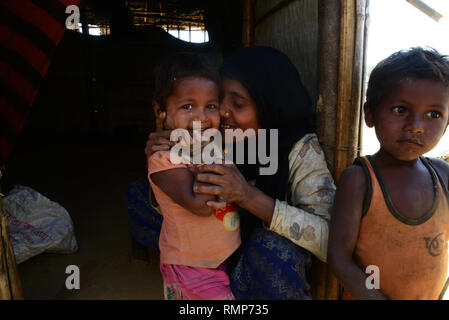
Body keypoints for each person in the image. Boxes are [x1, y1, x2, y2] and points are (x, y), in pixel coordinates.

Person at [145, 46, 336, 300]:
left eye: (237, 103)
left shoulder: (299, 149)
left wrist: (248, 196)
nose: (221, 112)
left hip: (256, 273)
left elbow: (331, 242)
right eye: (218, 99)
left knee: (272, 248)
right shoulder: (209, 136)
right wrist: (167, 158)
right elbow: (176, 195)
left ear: (269, 106)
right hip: (205, 261)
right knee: (139, 194)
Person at [328, 47, 449, 300]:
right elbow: (339, 259)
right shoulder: (360, 180)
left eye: (433, 114)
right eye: (400, 110)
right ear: (370, 114)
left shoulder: (443, 176)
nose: (415, 127)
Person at [147, 52, 240, 300]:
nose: (201, 117)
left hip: (214, 260)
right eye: (187, 106)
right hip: (190, 265)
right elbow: (200, 205)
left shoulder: (210, 148)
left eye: (210, 106)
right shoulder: (164, 160)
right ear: (161, 111)